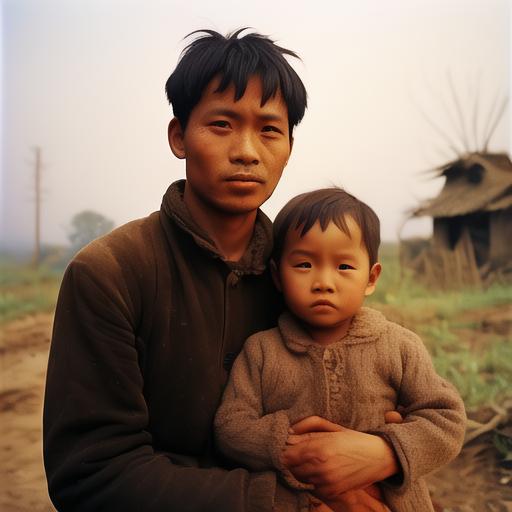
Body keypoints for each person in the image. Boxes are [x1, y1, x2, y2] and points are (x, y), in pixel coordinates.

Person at [44, 30, 400, 512]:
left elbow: (375, 398)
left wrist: (384, 451)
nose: (248, 151)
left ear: (290, 146)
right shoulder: (110, 274)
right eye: (222, 124)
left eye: (269, 130)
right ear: (179, 137)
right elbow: (92, 475)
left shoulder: (303, 274)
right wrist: (289, 502)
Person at [214, 188, 466, 512]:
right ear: (277, 276)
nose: (324, 282)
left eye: (344, 267)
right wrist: (288, 447)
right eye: (304, 264)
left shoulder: (399, 346)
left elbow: (445, 418)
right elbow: (231, 425)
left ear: (371, 278)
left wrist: (388, 451)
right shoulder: (262, 352)